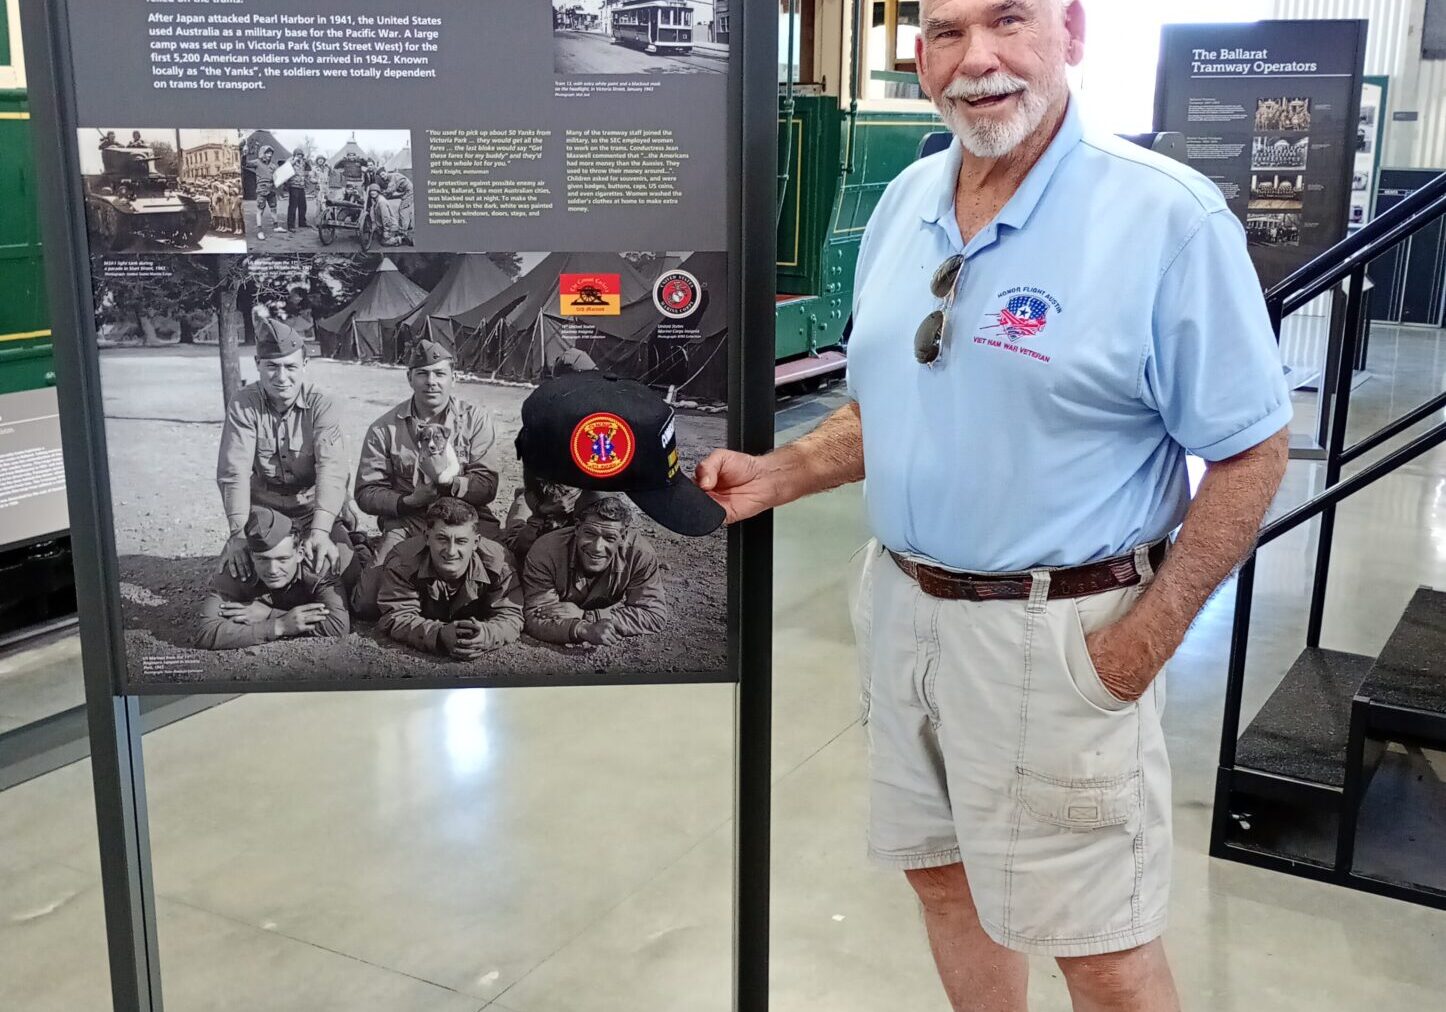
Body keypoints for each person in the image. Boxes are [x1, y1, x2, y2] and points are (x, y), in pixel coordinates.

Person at [693, 1, 1293, 1009]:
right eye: (944, 33)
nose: (976, 61)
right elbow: (900, 400)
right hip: (903, 614)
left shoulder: (1165, 218)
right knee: (944, 882)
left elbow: (1252, 451)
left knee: (1098, 947)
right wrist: (785, 473)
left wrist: (1138, 645)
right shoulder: (907, 200)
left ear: (1072, 30)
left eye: (1008, 21)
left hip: (1059, 637)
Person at [216, 314, 357, 585]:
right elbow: (234, 472)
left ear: (305, 364)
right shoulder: (243, 404)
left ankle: (353, 542)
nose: (282, 377)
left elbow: (331, 469)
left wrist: (320, 530)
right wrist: (237, 535)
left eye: (290, 367)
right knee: (234, 581)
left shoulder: (323, 404)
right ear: (257, 364)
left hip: (311, 508)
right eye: (272, 366)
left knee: (347, 578)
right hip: (265, 514)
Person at [354, 339, 501, 570]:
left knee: (500, 567)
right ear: (409, 378)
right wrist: (409, 501)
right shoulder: (384, 428)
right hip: (409, 520)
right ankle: (365, 551)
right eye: (422, 374)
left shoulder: (475, 421)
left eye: (440, 374)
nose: (431, 382)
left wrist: (449, 484)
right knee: (370, 594)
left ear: (454, 377)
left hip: (467, 517)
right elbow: (366, 492)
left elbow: (487, 485)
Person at [368, 497, 523, 656]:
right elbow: (395, 616)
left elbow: (511, 615)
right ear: (427, 537)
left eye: (461, 541)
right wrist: (438, 635)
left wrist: (486, 635)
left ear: (475, 542)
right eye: (442, 539)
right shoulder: (403, 562)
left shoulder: (498, 563)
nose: (451, 551)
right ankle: (361, 547)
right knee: (364, 605)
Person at [521, 493, 669, 646]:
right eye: (590, 533)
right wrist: (582, 629)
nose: (597, 547)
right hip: (530, 541)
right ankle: (521, 500)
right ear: (577, 528)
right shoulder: (546, 550)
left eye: (610, 538)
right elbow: (535, 616)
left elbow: (653, 614)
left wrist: (587, 615)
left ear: (623, 537)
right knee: (515, 534)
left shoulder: (639, 554)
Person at [197, 507, 349, 649]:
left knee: (352, 578)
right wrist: (277, 626)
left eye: (282, 559)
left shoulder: (317, 566)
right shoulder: (236, 568)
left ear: (300, 554)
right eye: (263, 559)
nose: (273, 570)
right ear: (251, 555)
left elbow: (337, 625)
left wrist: (270, 614)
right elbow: (206, 632)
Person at [501, 470, 582, 568]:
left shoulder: (584, 500)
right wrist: (541, 513)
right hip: (536, 503)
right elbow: (517, 546)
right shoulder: (530, 500)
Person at [253, 145, 279, 241]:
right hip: (262, 190)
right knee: (260, 210)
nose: (270, 154)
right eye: (267, 152)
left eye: (271, 153)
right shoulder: (257, 162)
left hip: (271, 189)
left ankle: (276, 227)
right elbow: (245, 164)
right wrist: (244, 154)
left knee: (274, 208)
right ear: (263, 153)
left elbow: (277, 177)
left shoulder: (273, 165)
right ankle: (259, 231)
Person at [286, 152, 310, 231]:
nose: (299, 157)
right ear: (294, 155)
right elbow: (286, 167)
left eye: (301, 155)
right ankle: (290, 225)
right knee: (293, 206)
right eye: (298, 155)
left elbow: (309, 169)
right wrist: (294, 161)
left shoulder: (303, 162)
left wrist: (307, 161)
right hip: (293, 185)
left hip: (301, 186)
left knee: (303, 205)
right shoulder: (290, 160)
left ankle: (302, 222)